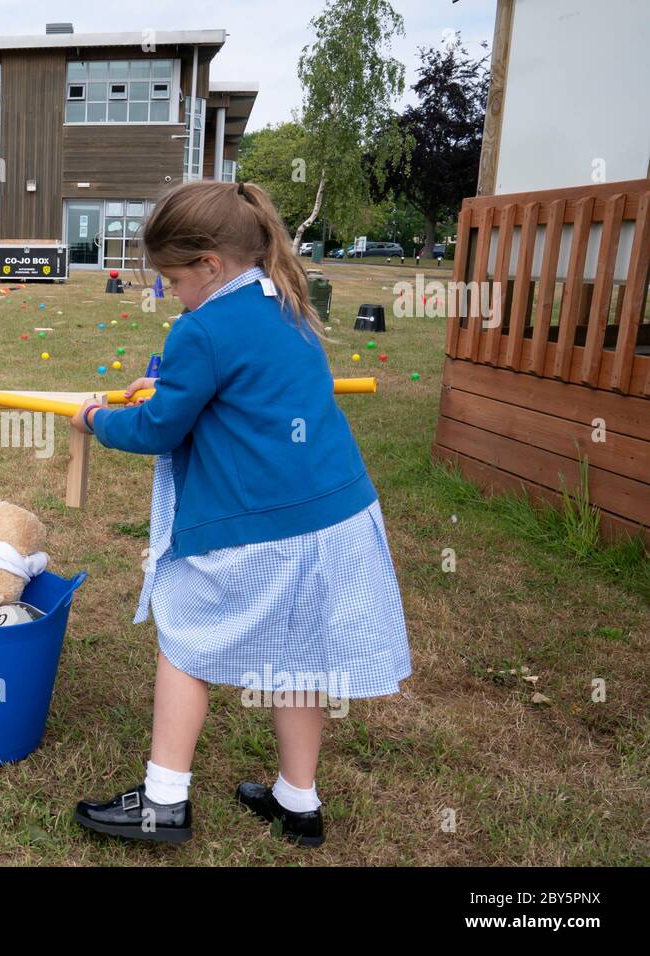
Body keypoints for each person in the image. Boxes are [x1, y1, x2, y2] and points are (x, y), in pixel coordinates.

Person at [70, 180, 410, 847]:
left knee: (184, 640)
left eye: (172, 279)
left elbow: (160, 430)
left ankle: (164, 801)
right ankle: (297, 801)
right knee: (301, 657)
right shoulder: (284, 301)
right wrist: (167, 382)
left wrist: (97, 418)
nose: (170, 292)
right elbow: (234, 385)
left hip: (264, 526)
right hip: (338, 517)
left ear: (209, 266)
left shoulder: (202, 327)